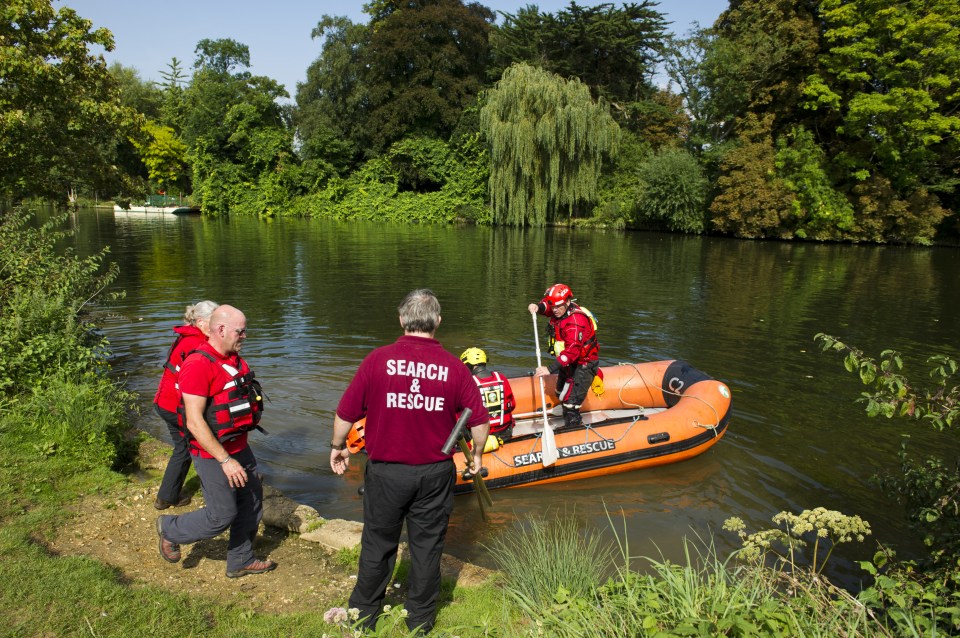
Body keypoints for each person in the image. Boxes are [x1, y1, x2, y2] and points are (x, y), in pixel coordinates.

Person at [329, 289, 489, 635]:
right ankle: (419, 620)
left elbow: (345, 413)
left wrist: (338, 445)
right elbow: (478, 423)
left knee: (378, 544)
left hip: (386, 472)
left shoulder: (377, 360)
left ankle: (362, 618)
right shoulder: (454, 368)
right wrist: (475, 456)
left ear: (402, 320)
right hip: (434, 473)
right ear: (438, 322)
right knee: (427, 547)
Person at [155, 304, 277, 579]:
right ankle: (170, 528)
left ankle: (241, 559)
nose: (245, 335)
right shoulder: (198, 365)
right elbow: (195, 421)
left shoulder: (233, 359)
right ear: (221, 330)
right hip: (212, 454)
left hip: (239, 447)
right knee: (221, 515)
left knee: (252, 501)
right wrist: (225, 460)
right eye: (240, 331)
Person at [152, 300, 219, 510]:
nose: (218, 328)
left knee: (183, 448)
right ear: (200, 322)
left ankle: (166, 496)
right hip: (174, 407)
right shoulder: (197, 344)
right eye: (214, 322)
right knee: (206, 443)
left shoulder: (187, 336)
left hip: (164, 402)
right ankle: (222, 492)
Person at [528, 283, 600, 428]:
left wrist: (549, 369)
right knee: (559, 391)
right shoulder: (560, 309)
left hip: (583, 365)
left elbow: (572, 352)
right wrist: (538, 307)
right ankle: (566, 412)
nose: (554, 310)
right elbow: (548, 306)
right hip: (568, 363)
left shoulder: (575, 322)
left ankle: (573, 427)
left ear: (568, 302)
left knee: (570, 403)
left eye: (558, 306)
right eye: (552, 306)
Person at [459, 347, 516, 452]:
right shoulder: (501, 378)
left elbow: (460, 417)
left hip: (479, 436)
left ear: (471, 365)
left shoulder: (467, 384)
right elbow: (512, 405)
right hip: (505, 433)